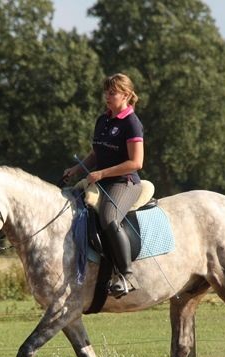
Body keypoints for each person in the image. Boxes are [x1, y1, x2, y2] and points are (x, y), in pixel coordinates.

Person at [63, 73, 144, 298]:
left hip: (124, 182)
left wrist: (101, 173)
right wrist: (77, 169)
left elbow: (136, 162)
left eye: (112, 92)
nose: (107, 96)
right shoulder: (103, 119)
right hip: (101, 180)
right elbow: (96, 152)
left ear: (126, 95)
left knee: (109, 218)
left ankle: (127, 275)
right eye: (106, 92)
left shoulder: (131, 123)